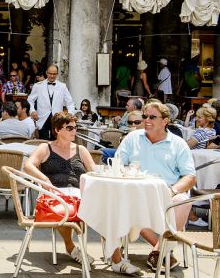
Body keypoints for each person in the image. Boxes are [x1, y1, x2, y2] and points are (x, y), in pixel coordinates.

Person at [114, 101, 196, 272]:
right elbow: (118, 164)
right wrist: (127, 171)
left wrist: (172, 190)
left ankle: (158, 251)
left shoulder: (178, 143)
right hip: (136, 191)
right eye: (145, 116)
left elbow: (190, 176)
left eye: (152, 117)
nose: (147, 120)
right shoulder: (133, 138)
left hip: (166, 193)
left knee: (183, 200)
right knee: (125, 204)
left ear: (165, 120)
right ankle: (161, 252)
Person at [24, 112, 96, 267]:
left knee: (107, 208)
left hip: (78, 194)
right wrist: (44, 180)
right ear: (57, 130)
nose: (74, 131)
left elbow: (93, 171)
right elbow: (28, 165)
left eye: (75, 128)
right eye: (69, 128)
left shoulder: (80, 150)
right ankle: (71, 246)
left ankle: (115, 255)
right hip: (54, 195)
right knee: (65, 208)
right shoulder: (46, 148)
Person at [28, 65, 76, 140]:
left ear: (57, 74)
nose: (52, 76)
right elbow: (30, 100)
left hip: (57, 120)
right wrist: (32, 111)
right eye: (50, 73)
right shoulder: (38, 86)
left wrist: (70, 114)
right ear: (46, 73)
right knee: (43, 142)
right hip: (42, 119)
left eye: (54, 74)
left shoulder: (62, 86)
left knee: (57, 141)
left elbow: (70, 102)